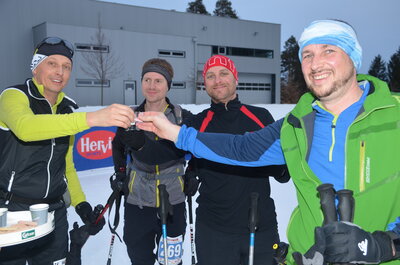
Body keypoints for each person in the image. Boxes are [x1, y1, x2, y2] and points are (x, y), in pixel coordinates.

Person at [135, 20, 400, 264]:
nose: (316, 63)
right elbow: (242, 149)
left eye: (328, 50)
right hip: (275, 246)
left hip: (259, 224)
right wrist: (174, 136)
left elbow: (276, 170)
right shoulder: (296, 125)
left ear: (353, 56)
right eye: (307, 55)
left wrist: (385, 246)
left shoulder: (394, 116)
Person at [0, 36, 135, 264]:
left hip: (54, 212)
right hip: (13, 210)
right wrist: (92, 118)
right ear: (36, 67)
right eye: (52, 63)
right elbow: (26, 128)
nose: (59, 72)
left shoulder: (68, 108)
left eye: (66, 67)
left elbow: (67, 166)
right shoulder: (14, 96)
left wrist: (81, 205)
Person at [181, 54, 289, 265]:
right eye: (210, 76)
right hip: (213, 229)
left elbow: (282, 171)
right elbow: (187, 156)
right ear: (205, 85)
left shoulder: (261, 117)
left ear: (235, 79)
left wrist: (283, 167)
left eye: (223, 73)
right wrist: (191, 171)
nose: (217, 80)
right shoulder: (197, 124)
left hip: (260, 227)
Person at [111, 58, 192, 265]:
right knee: (139, 259)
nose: (152, 86)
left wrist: (193, 173)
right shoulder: (130, 117)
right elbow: (117, 147)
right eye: (147, 80)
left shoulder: (181, 117)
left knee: (171, 262)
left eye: (158, 81)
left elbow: (190, 150)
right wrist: (120, 173)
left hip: (173, 199)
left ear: (168, 85)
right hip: (137, 201)